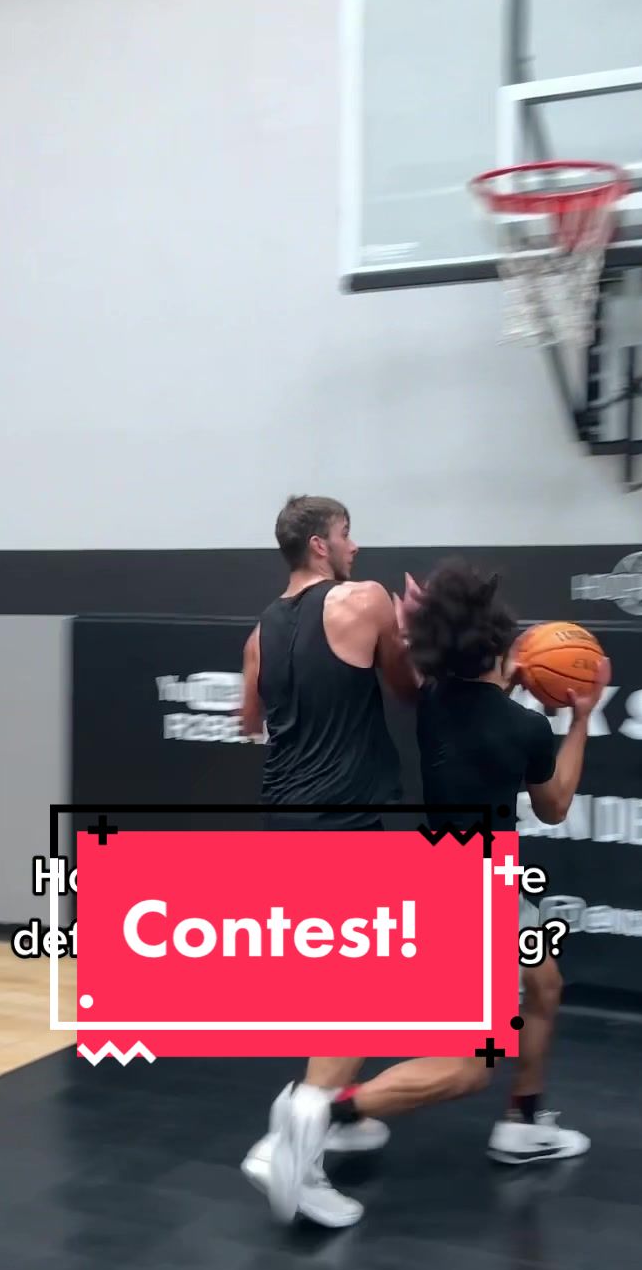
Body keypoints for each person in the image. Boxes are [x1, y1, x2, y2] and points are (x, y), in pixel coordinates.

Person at [262, 558, 611, 1229]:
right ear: (498, 643)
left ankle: (525, 1119)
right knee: (468, 1069)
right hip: (482, 898)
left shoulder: (433, 700)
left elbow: (457, 673)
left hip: (444, 877)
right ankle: (321, 1116)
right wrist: (579, 719)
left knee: (544, 984)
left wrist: (431, 627)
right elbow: (556, 803)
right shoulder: (524, 730)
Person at [237, 495, 419, 1226]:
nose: (355, 545)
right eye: (346, 534)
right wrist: (409, 633)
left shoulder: (260, 630)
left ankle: (323, 1120)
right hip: (343, 822)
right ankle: (294, 1147)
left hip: (285, 822)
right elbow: (406, 688)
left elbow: (250, 722)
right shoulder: (363, 599)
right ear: (320, 544)